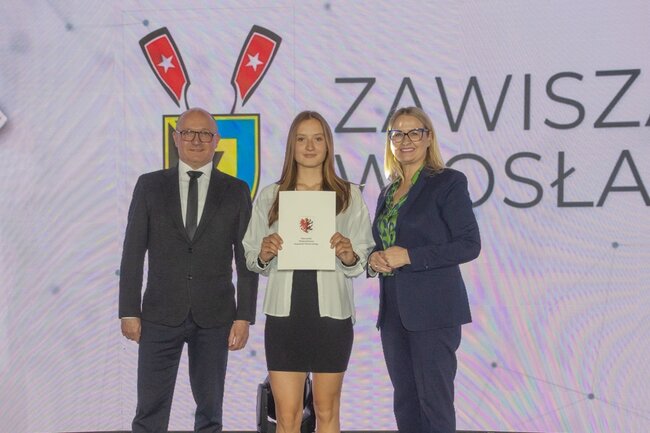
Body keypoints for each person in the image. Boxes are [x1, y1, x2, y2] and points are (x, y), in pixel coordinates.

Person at [118, 107, 259, 433]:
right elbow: (133, 253)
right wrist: (128, 310)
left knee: (210, 412)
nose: (196, 140)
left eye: (205, 133)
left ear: (216, 140)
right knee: (149, 411)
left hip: (216, 317)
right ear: (176, 138)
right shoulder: (149, 186)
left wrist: (244, 316)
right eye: (189, 133)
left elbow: (245, 258)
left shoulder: (236, 190)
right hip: (158, 314)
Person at [243, 111, 374, 433]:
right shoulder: (270, 196)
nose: (310, 146)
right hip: (285, 317)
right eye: (302, 139)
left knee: (326, 411)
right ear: (292, 145)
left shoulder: (349, 195)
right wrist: (264, 253)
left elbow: (362, 257)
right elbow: (251, 256)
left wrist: (348, 255)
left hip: (332, 317)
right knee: (286, 417)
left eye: (317, 139)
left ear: (328, 145)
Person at [368, 106, 481, 433]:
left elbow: (469, 245)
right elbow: (384, 243)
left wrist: (410, 256)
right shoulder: (389, 192)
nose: (406, 140)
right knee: (405, 402)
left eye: (414, 132)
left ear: (428, 137)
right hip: (393, 313)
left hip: (434, 312)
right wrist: (374, 258)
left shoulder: (448, 182)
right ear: (390, 142)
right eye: (397, 134)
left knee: (435, 404)